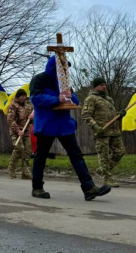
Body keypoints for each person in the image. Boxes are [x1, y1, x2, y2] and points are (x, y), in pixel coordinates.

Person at [31, 56, 111, 201]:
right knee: (41, 157)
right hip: (46, 124)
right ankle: (37, 188)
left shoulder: (65, 82)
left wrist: (71, 95)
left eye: (66, 67)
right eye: (61, 67)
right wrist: (57, 99)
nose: (64, 70)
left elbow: (75, 101)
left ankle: (89, 188)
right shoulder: (39, 79)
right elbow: (35, 98)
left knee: (77, 156)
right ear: (53, 67)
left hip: (64, 124)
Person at [81, 78, 126, 187]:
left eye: (105, 85)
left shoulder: (109, 99)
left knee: (120, 152)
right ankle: (107, 178)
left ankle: (103, 170)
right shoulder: (91, 99)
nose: (104, 87)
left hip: (114, 131)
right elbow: (86, 115)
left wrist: (119, 115)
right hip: (102, 132)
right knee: (104, 156)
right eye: (101, 85)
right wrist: (95, 127)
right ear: (95, 87)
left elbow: (111, 115)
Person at [7, 89, 33, 180]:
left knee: (27, 151)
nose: (24, 98)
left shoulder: (28, 107)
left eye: (25, 96)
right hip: (15, 132)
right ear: (18, 97)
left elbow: (30, 120)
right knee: (19, 148)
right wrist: (18, 130)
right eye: (22, 96)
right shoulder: (13, 105)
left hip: (25, 132)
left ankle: (25, 172)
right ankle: (11, 168)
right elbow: (10, 119)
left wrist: (32, 118)